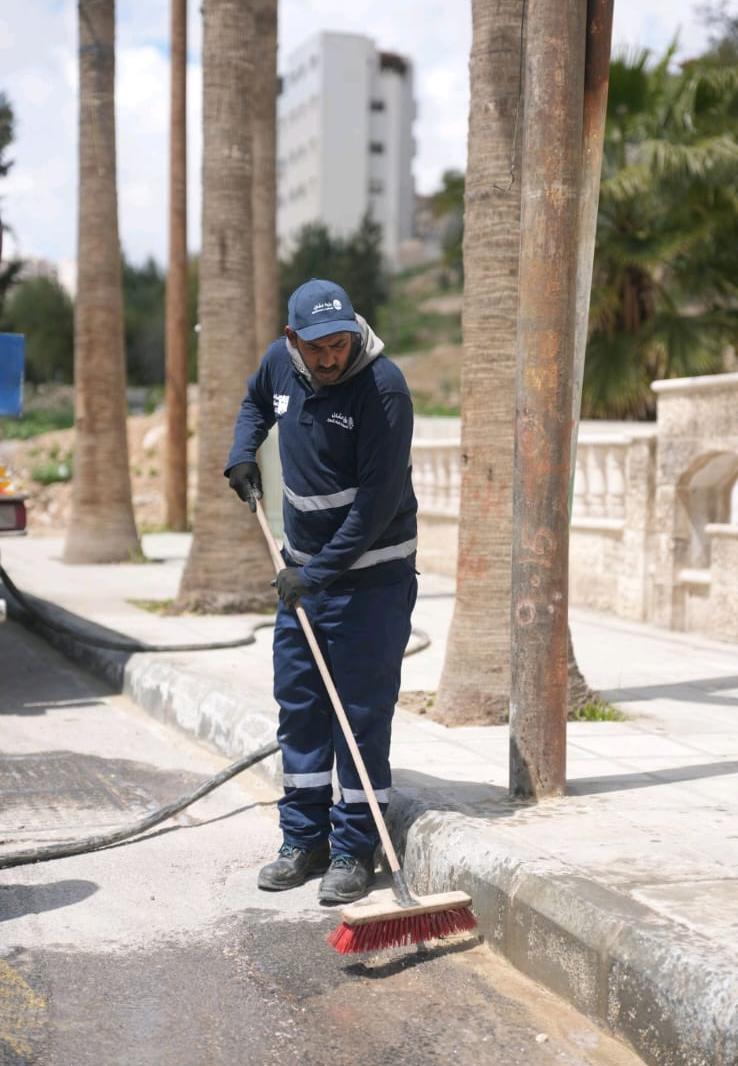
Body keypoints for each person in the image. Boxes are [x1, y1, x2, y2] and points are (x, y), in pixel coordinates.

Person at [225, 278, 418, 904]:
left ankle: (354, 850)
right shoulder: (280, 363)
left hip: (371, 580)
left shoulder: (382, 389)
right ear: (293, 341)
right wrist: (242, 453)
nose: (333, 357)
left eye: (341, 344)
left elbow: (375, 506)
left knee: (359, 717)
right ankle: (301, 840)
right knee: (302, 708)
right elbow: (256, 402)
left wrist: (314, 573)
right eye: (320, 348)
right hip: (305, 573)